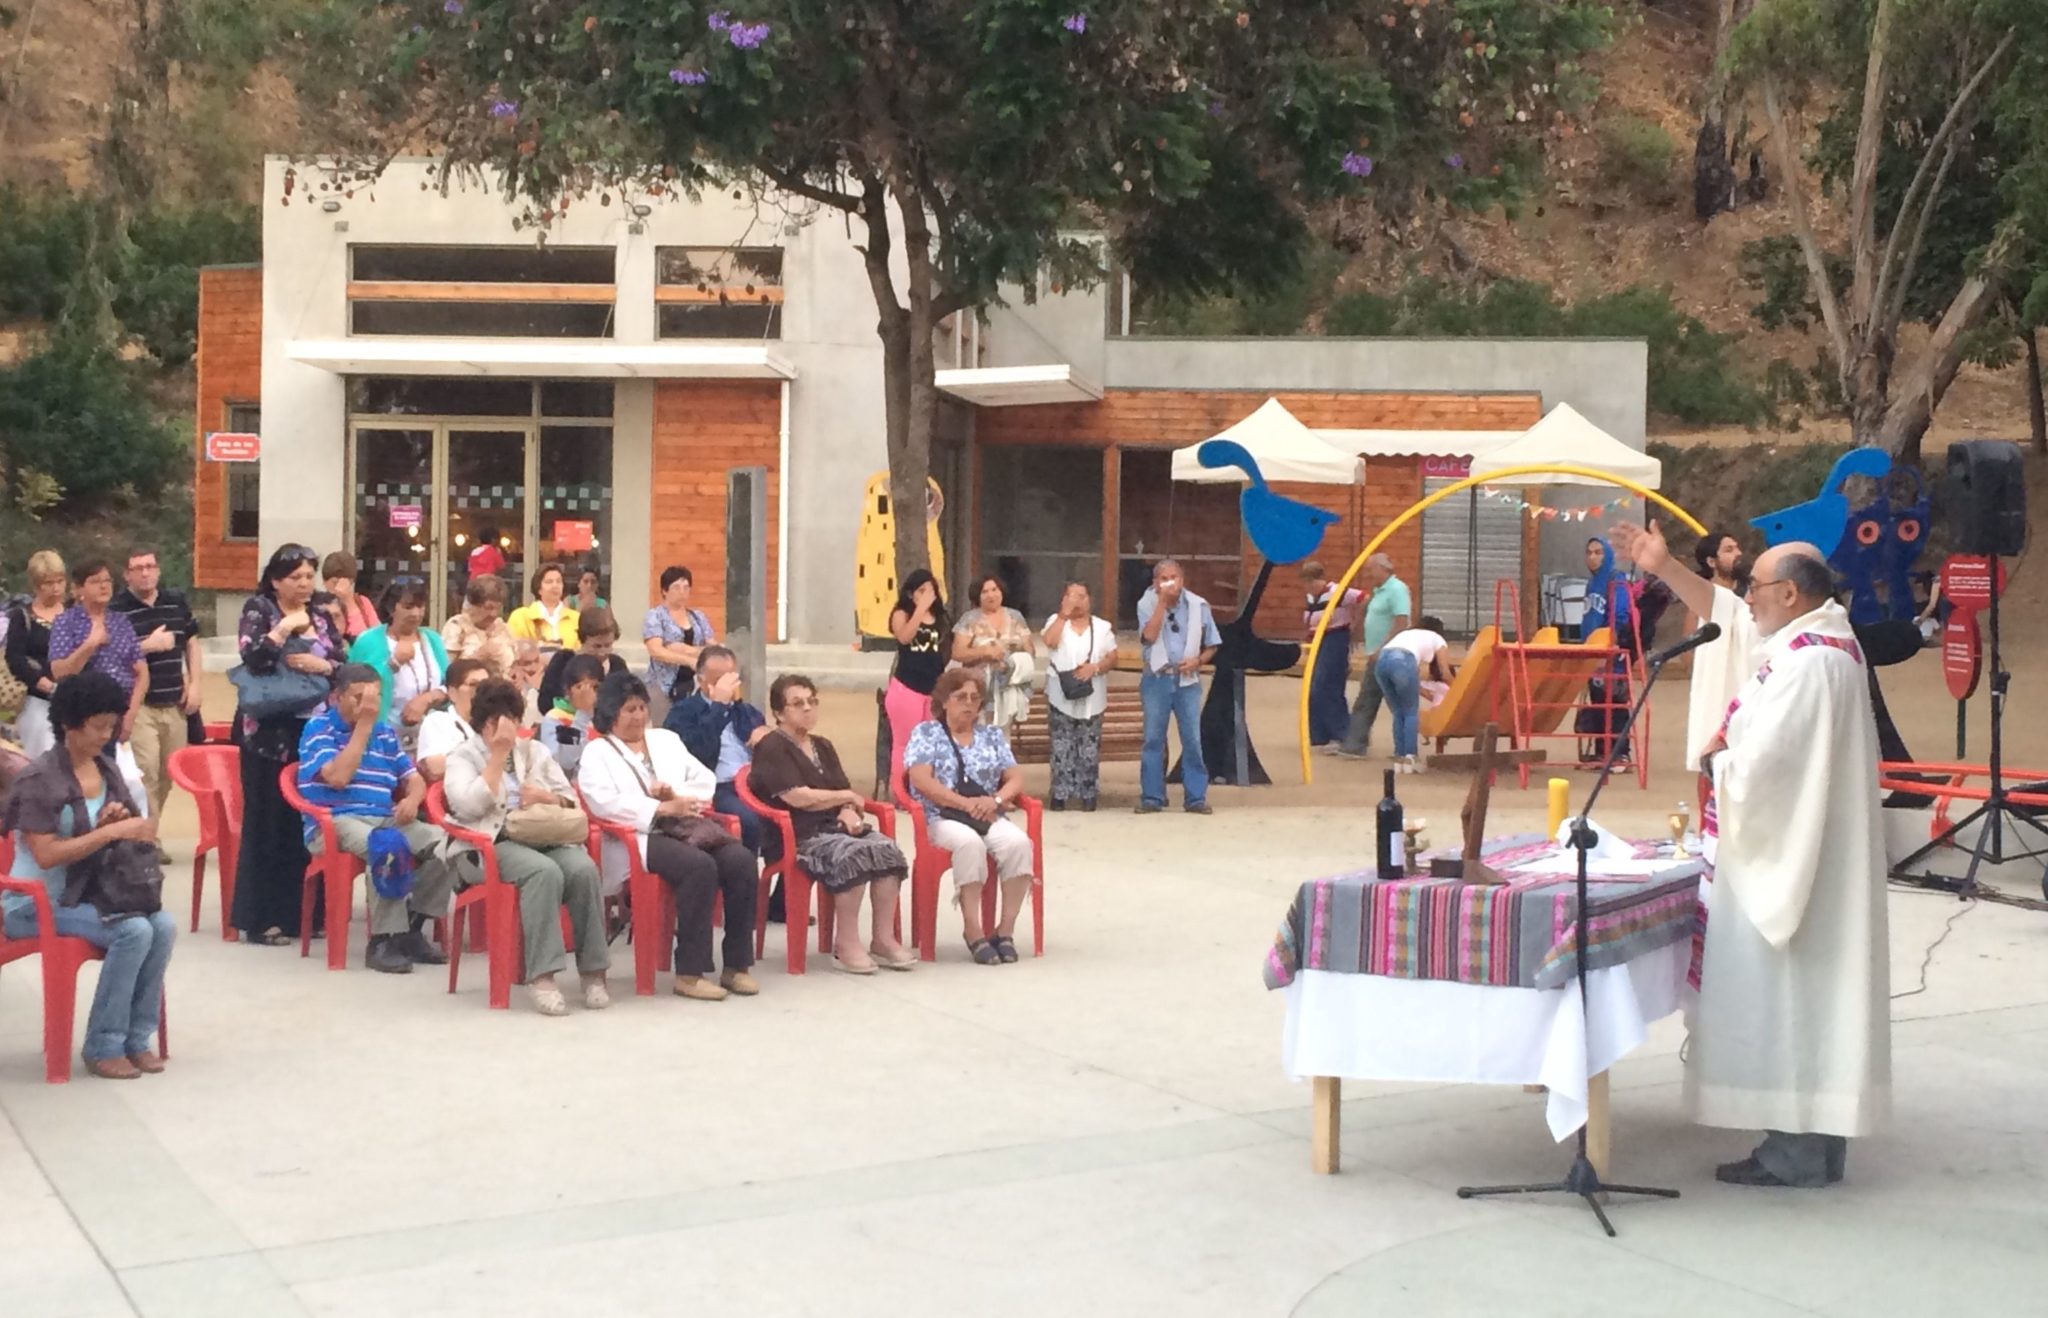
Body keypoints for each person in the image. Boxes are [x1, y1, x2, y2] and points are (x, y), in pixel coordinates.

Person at [1611, 522, 1889, 1188]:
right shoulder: (1821, 643)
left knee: (1791, 995)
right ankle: (1814, 1142)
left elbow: (1770, 767)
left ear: (1790, 593)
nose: (1749, 597)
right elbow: (1732, 620)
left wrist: (1719, 761)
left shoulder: (1811, 662)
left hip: (1793, 862)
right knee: (1814, 999)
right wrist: (1666, 566)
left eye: (1758, 587)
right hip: (1815, 855)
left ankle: (1795, 1151)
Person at [2, 672, 175, 1079]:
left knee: (162, 925)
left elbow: (131, 832)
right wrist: (109, 830)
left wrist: (115, 819)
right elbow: (45, 856)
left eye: (111, 726)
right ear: (69, 723)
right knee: (134, 931)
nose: (106, 734)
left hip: (90, 896)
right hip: (34, 903)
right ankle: (104, 1044)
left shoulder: (109, 771)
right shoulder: (39, 778)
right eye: (98, 726)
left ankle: (137, 1038)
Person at [576, 672, 758, 1001]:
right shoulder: (597, 753)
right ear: (610, 713)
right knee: (698, 867)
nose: (638, 716)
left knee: (741, 860)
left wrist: (677, 795)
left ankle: (736, 965)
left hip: (686, 827)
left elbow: (703, 779)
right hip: (638, 838)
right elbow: (602, 803)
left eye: (642, 708)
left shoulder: (665, 740)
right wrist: (658, 808)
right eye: (629, 709)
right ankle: (690, 971)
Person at [442, 677, 611, 1016]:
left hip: (540, 833)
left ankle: (593, 972)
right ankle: (543, 976)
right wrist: (497, 756)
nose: (505, 729)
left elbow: (570, 800)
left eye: (512, 720)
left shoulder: (534, 750)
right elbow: (468, 807)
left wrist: (545, 796)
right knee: (543, 872)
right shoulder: (462, 756)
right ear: (482, 722)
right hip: (487, 843)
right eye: (495, 722)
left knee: (582, 869)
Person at [747, 674, 913, 974]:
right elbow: (797, 797)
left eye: (812, 701)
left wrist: (849, 809)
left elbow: (844, 789)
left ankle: (882, 938)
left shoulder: (823, 745)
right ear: (780, 712)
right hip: (798, 836)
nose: (808, 709)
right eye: (798, 704)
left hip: (835, 828)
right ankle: (846, 944)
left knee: (888, 851)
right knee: (853, 856)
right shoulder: (772, 746)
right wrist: (845, 797)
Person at [297, 663, 457, 975]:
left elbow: (413, 777)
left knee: (448, 844)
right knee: (388, 845)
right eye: (358, 697)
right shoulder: (319, 729)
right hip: (334, 820)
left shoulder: (384, 733)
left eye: (374, 698)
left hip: (384, 817)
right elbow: (339, 778)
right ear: (337, 697)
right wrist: (363, 727)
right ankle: (382, 941)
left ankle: (412, 926)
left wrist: (412, 799)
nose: (367, 705)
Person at [230, 545, 347, 944]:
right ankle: (262, 919)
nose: (304, 584)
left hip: (312, 732)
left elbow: (344, 664)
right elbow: (254, 659)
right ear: (276, 579)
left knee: (306, 823)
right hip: (267, 736)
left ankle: (304, 914)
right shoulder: (258, 609)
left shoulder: (320, 614)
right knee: (269, 824)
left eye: (309, 576)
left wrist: (324, 666)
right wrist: (282, 631)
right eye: (295, 577)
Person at [904, 669, 1033, 964]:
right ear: (945, 701)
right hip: (942, 816)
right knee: (969, 844)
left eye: (975, 698)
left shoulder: (991, 735)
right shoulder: (927, 733)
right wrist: (965, 804)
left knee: (1019, 844)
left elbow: (1014, 777)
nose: (969, 704)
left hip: (986, 814)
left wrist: (996, 800)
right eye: (960, 697)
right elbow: (921, 780)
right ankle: (973, 930)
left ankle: (1005, 931)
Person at [108, 547, 202, 838]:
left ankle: (149, 829)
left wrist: (195, 683)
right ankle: (146, 839)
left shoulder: (175, 602)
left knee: (168, 774)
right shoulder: (117, 609)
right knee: (145, 771)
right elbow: (111, 653)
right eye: (138, 568)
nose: (145, 572)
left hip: (174, 701)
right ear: (127, 575)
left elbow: (192, 642)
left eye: (150, 566)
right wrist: (149, 645)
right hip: (139, 705)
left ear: (158, 570)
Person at [47, 560, 149, 811]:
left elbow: (141, 671)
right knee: (82, 777)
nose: (104, 586)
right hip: (82, 718)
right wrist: (91, 644)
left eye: (107, 581)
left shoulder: (120, 622)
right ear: (78, 589)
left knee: (113, 778)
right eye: (95, 581)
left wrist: (130, 715)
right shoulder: (67, 622)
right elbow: (59, 672)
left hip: (116, 716)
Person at [664, 645, 773, 859]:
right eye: (717, 680)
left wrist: (768, 735)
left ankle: (779, 889)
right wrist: (718, 707)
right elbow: (697, 753)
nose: (725, 686)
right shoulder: (683, 712)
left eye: (729, 679)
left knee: (796, 818)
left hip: (753, 783)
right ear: (701, 679)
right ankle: (746, 879)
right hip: (719, 786)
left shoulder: (745, 711)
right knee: (748, 820)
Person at [1134, 559, 1220, 815]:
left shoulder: (1198, 605)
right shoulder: (1145, 603)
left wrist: (1198, 661)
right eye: (1164, 578)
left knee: (1192, 738)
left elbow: (1213, 644)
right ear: (1155, 582)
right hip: (1157, 678)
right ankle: (1152, 796)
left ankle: (1196, 797)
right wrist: (1162, 603)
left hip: (1187, 682)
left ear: (1183, 580)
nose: (1170, 582)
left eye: (1174, 577)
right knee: (1153, 739)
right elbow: (1148, 637)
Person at [1040, 581, 1115, 812]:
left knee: (1089, 746)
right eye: (1072, 596)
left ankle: (1088, 794)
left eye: (1082, 596)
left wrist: (1096, 668)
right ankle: (1060, 795)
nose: (1077, 601)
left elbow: (1113, 656)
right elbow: (1049, 642)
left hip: (1092, 694)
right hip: (1060, 694)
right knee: (1061, 746)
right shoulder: (1055, 621)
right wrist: (1064, 615)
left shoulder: (1102, 627)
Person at [347, 582, 450, 740]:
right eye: (408, 607)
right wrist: (394, 663)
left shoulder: (433, 639)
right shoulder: (368, 641)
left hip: (431, 737)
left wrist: (429, 698)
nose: (416, 613)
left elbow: (452, 683)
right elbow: (353, 688)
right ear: (391, 608)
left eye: (420, 606)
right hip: (381, 736)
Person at [1335, 554, 1411, 760]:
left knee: (1382, 699)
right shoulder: (1379, 591)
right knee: (1370, 698)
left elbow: (1401, 621)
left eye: (1371, 570)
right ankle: (1357, 742)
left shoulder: (1397, 589)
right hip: (1377, 654)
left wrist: (1383, 648)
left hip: (1388, 655)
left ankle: (1359, 744)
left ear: (1381, 568)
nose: (1369, 574)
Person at [883, 569, 950, 783]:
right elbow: (904, 637)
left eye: (931, 590)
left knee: (930, 740)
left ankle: (925, 786)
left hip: (932, 687)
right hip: (907, 685)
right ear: (912, 594)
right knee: (905, 741)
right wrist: (919, 610)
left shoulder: (939, 617)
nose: (928, 595)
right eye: (922, 590)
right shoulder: (902, 614)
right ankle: (901, 787)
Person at [951, 574, 1035, 728]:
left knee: (1002, 737)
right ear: (978, 596)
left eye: (994, 589)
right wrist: (984, 651)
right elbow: (957, 652)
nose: (991, 595)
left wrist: (1011, 660)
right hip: (978, 691)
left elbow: (1030, 651)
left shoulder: (1015, 617)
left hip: (1007, 689)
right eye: (985, 591)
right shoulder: (969, 619)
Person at [7, 550, 68, 756]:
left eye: (60, 581)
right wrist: (42, 682)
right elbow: (15, 658)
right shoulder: (22, 616)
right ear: (35, 585)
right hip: (38, 700)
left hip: (74, 700)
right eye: (48, 583)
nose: (56, 588)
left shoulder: (75, 613)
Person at [1300, 560, 1364, 750]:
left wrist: (1355, 625)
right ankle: (1319, 735)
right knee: (1314, 686)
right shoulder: (1311, 598)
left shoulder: (1337, 591)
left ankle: (1341, 733)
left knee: (1327, 684)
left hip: (1335, 637)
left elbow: (1362, 598)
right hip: (1317, 639)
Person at [1376, 616, 1451, 773]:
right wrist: (1458, 688)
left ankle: (1399, 758)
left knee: (1398, 712)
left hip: (1382, 661)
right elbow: (1445, 673)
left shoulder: (1406, 634)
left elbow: (1414, 677)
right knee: (1410, 712)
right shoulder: (1438, 639)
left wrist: (1422, 690)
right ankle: (1410, 758)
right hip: (1404, 660)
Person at [642, 565, 715, 724]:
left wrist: (683, 649)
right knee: (665, 728)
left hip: (694, 683)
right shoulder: (655, 616)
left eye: (686, 587)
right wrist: (689, 660)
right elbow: (656, 650)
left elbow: (712, 648)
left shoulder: (698, 617)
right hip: (662, 685)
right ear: (664, 591)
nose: (682, 592)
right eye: (676, 587)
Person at [536, 606, 627, 713]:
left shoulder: (617, 666)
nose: (602, 652)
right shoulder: (563, 662)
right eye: (596, 646)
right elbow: (545, 703)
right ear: (582, 640)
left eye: (608, 645)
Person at [413, 659, 491, 782]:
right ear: (452, 693)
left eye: (486, 685)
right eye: (473, 685)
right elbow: (435, 767)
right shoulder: (438, 721)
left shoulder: (495, 722)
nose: (482, 691)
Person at [440, 574, 518, 677]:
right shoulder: (457, 626)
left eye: (498, 608)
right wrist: (480, 656)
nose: (493, 614)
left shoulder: (502, 627)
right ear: (473, 605)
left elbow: (516, 662)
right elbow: (447, 672)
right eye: (488, 608)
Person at [538, 654, 603, 775]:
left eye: (595, 687)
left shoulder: (606, 718)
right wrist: (582, 715)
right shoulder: (554, 719)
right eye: (580, 687)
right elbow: (564, 763)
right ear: (567, 690)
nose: (588, 694)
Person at [506, 562, 581, 653]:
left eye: (559, 581)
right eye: (549, 582)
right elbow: (514, 651)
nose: (555, 585)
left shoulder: (577, 618)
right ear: (539, 588)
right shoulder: (520, 617)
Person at [320, 552, 381, 640]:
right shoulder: (319, 606)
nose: (338, 587)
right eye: (334, 582)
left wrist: (347, 600)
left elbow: (377, 636)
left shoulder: (362, 603)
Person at [510, 640, 547, 728]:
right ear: (516, 665)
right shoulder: (511, 687)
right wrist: (532, 689)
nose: (534, 668)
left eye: (536, 661)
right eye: (527, 663)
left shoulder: (548, 678)